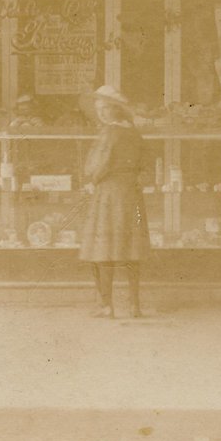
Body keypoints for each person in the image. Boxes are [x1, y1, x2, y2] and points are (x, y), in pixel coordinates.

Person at [79, 85, 149, 318]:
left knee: (103, 249)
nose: (101, 113)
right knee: (132, 249)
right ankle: (134, 306)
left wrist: (91, 179)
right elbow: (144, 162)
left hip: (109, 193)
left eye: (105, 108)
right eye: (99, 108)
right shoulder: (134, 132)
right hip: (131, 193)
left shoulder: (109, 132)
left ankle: (106, 306)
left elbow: (100, 164)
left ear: (115, 110)